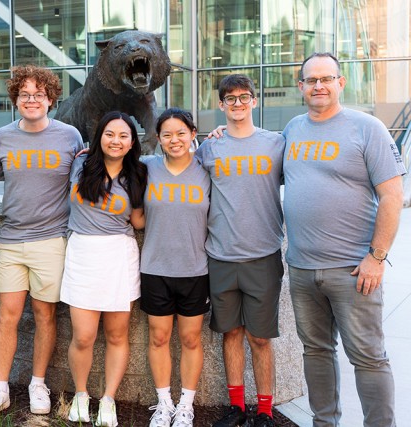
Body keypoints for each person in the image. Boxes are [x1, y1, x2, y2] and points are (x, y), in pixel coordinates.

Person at [283, 52, 405, 427]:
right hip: (302, 269)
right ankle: (324, 422)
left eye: (326, 78)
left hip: (353, 269)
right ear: (301, 86)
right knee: (316, 352)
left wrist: (377, 256)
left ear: (340, 83)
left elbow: (392, 195)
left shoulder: (367, 128)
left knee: (368, 356)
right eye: (310, 80)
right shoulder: (292, 129)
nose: (318, 86)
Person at [0, 65, 84, 421]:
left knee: (44, 314)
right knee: (7, 316)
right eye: (24, 94)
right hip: (11, 240)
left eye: (39, 94)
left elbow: (90, 175)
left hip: (51, 240)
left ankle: (38, 383)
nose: (31, 99)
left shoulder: (69, 136)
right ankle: (0, 388)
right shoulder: (1, 138)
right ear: (16, 100)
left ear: (51, 99)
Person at [197, 74, 285, 427]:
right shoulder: (210, 147)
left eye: (243, 97)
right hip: (220, 256)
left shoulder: (276, 143)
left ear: (254, 101)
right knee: (230, 333)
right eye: (229, 99)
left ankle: (264, 410)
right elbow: (175, 167)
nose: (237, 104)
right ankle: (236, 407)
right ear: (221, 105)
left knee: (260, 337)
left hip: (263, 255)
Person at [62, 111, 147, 427]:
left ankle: (108, 399)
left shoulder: (138, 173)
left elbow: (138, 220)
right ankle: (81, 395)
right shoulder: (80, 165)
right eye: (110, 134)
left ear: (132, 142)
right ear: (99, 136)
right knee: (83, 336)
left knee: (116, 334)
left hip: (118, 255)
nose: (116, 140)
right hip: (82, 252)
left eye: (124, 135)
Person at [140, 108, 211, 427]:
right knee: (158, 337)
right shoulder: (146, 168)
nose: (174, 139)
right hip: (155, 268)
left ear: (193, 133)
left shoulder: (207, 167)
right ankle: (164, 403)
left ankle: (186, 405)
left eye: (181, 132)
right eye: (167, 134)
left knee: (192, 339)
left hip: (195, 269)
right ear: (158, 139)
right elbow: (112, 163)